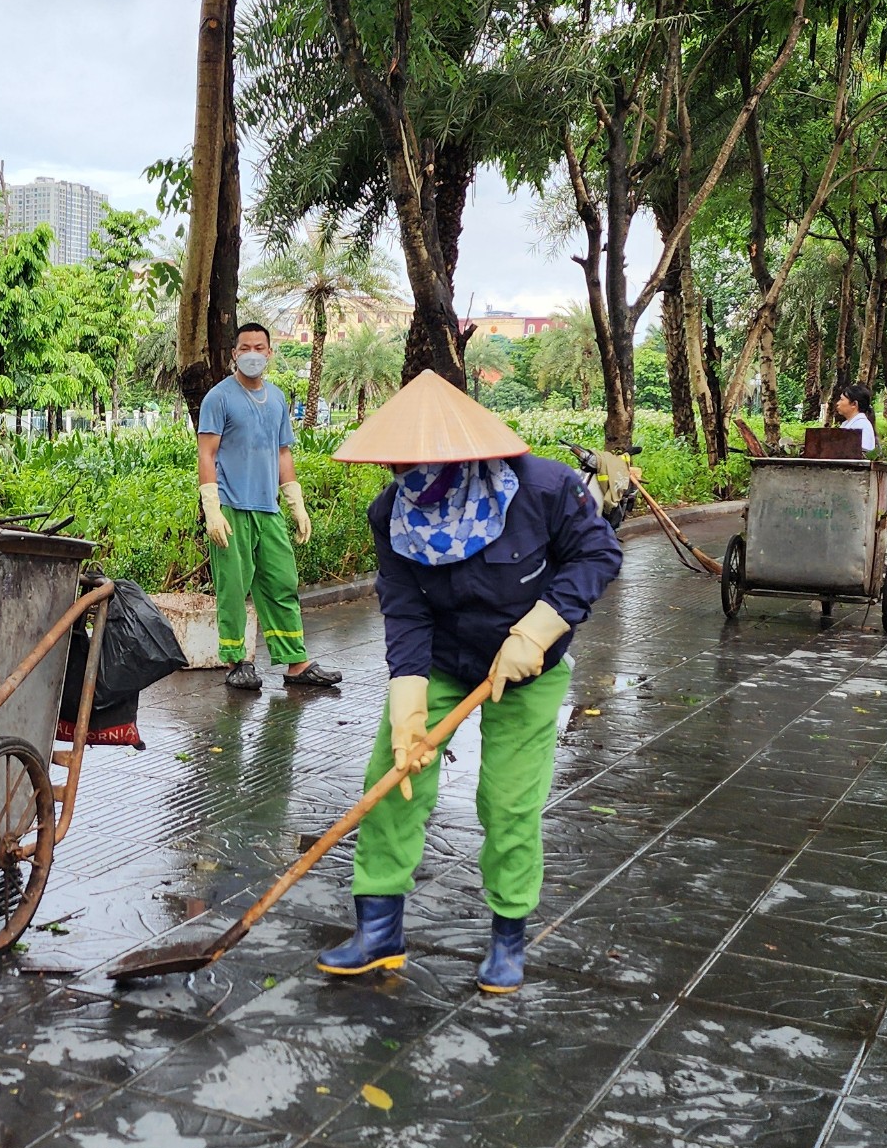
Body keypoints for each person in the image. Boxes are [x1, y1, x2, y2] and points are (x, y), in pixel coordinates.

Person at [314, 372, 623, 994]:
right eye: (399, 462)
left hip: (526, 665)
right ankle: (379, 930)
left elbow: (599, 555)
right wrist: (408, 702)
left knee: (508, 801)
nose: (409, 474)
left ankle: (509, 935)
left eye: (421, 461)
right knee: (393, 778)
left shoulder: (545, 488)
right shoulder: (391, 515)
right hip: (442, 662)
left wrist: (538, 630)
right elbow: (405, 608)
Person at [196, 322, 343, 693]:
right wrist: (211, 508)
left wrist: (296, 503)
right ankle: (237, 661)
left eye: (259, 347)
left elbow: (283, 452)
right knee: (233, 586)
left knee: (281, 582)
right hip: (230, 506)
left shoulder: (277, 399)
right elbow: (207, 453)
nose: (252, 354)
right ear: (234, 354)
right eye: (245, 347)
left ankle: (296, 663)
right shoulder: (219, 398)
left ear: (269, 353)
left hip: (267, 507)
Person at [833, 384, 879, 455]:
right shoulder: (846, 424)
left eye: (841, 400)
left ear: (854, 404)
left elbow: (861, 455)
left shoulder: (862, 425)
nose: (838, 403)